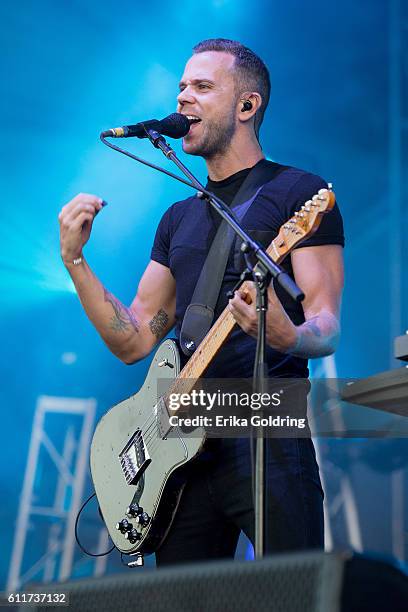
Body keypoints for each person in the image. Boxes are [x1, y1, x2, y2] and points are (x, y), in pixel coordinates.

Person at [59, 38, 344, 565]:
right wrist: (76, 263)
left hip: (267, 428)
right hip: (179, 448)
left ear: (246, 106)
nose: (183, 98)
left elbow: (325, 323)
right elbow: (136, 338)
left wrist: (288, 336)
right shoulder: (176, 218)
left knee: (291, 591)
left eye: (202, 86)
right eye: (182, 86)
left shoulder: (298, 194)